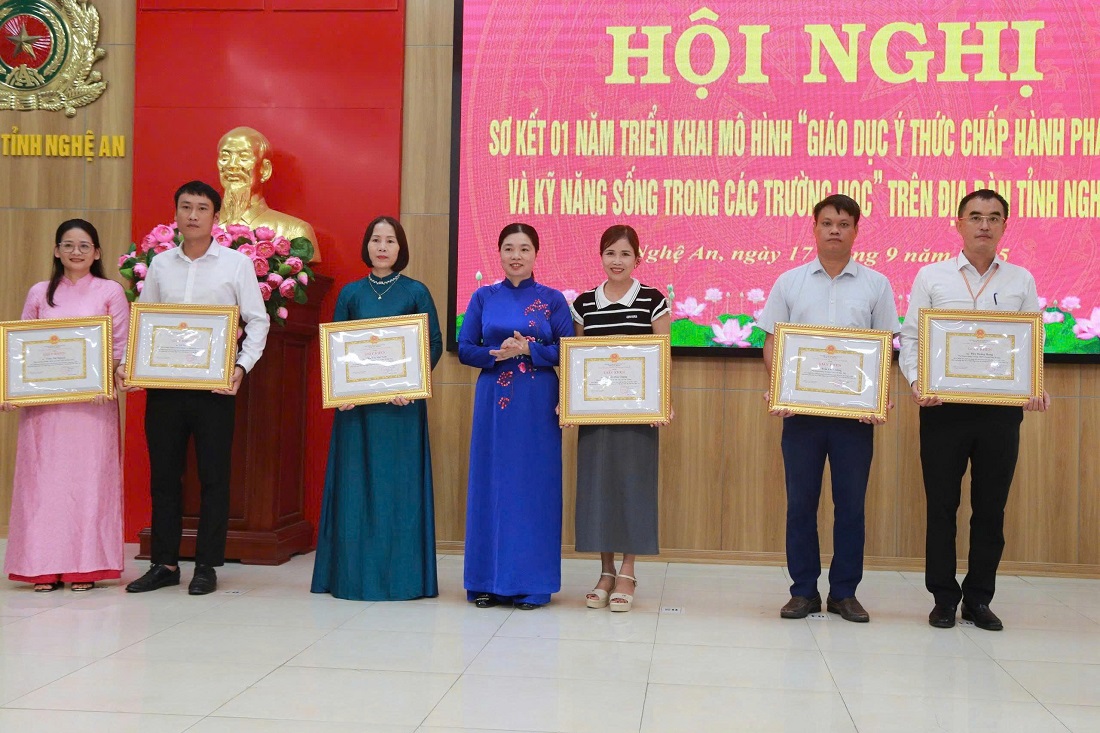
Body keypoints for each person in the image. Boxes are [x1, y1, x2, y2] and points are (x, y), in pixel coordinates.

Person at [900, 189, 1050, 631]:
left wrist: (1034, 385)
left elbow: (1032, 341)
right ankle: (943, 598)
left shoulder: (1020, 280)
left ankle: (979, 599)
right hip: (942, 408)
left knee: (991, 509)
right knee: (941, 506)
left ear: (1004, 225)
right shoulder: (932, 276)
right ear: (959, 223)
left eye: (994, 217)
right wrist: (917, 382)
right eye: (976, 216)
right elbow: (912, 337)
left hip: (999, 412)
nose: (985, 225)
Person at [120, 180, 270, 596]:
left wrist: (241, 367)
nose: (192, 215)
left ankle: (206, 565)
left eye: (201, 208)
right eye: (185, 207)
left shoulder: (236, 264)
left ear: (215, 217)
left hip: (214, 390)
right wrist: (134, 367)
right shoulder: (160, 265)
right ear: (175, 215)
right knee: (165, 477)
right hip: (165, 388)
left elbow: (258, 320)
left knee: (214, 477)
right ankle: (165, 564)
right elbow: (145, 319)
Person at [758, 194, 899, 623]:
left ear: (856, 230)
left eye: (843, 223)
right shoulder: (790, 282)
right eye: (827, 223)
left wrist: (878, 395)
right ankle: (802, 591)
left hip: (854, 417)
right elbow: (771, 343)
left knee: (850, 507)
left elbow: (885, 348)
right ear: (814, 228)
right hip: (801, 415)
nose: (835, 230)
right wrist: (780, 388)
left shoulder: (876, 284)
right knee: (800, 505)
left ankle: (844, 593)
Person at [311, 217, 443, 601]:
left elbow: (433, 343)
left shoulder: (416, 291)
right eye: (376, 240)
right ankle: (352, 577)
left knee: (399, 490)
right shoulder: (351, 293)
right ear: (366, 245)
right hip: (357, 410)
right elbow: (336, 346)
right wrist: (341, 389)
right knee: (356, 488)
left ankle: (404, 579)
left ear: (401, 248)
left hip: (401, 410)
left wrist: (412, 386)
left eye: (390, 241)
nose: (382, 247)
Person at [2, 220, 128, 592]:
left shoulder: (110, 290)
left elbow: (119, 346)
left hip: (91, 406)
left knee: (88, 483)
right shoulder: (39, 292)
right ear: (57, 251)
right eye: (68, 245)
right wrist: (12, 391)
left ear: (97, 252)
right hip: (45, 410)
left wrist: (106, 379)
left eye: (84, 245)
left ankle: (85, 566)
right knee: (42, 484)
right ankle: (40, 567)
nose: (76, 252)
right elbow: (23, 347)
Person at [458, 222, 573, 610]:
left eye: (524, 248)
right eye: (509, 248)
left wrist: (528, 350)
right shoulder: (483, 297)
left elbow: (568, 350)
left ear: (536, 254)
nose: (516, 256)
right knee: (491, 483)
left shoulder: (553, 299)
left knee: (534, 486)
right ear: (499, 253)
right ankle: (486, 582)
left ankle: (532, 583)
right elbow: (465, 347)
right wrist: (495, 354)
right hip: (493, 399)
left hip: (537, 402)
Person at [569, 225, 670, 612]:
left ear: (637, 259)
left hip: (639, 415)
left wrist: (664, 403)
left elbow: (663, 354)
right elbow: (577, 359)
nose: (617, 261)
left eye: (625, 254)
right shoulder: (583, 304)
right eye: (610, 253)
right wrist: (570, 403)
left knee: (633, 488)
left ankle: (628, 571)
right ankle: (605, 572)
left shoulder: (653, 300)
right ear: (601, 256)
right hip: (596, 414)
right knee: (599, 489)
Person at [216, 126, 321, 261]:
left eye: (244, 157)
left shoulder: (295, 232)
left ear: (265, 170)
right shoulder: (199, 228)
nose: (232, 165)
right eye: (225, 157)